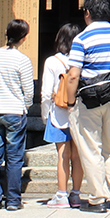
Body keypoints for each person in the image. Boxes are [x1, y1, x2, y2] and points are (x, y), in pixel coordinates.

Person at [68, 0, 110, 212]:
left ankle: (97, 197)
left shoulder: (82, 40)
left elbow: (74, 74)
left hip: (88, 100)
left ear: (87, 13)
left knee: (90, 148)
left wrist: (69, 100)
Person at [0, 17, 35, 210]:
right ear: (24, 38)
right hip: (14, 110)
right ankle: (13, 199)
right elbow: (28, 90)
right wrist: (25, 106)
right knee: (14, 157)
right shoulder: (22, 60)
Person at [38, 22, 84, 207]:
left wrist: (44, 115)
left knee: (62, 155)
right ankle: (76, 194)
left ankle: (61, 194)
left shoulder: (52, 61)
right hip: (80, 113)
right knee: (78, 155)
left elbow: (46, 92)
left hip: (58, 113)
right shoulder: (82, 60)